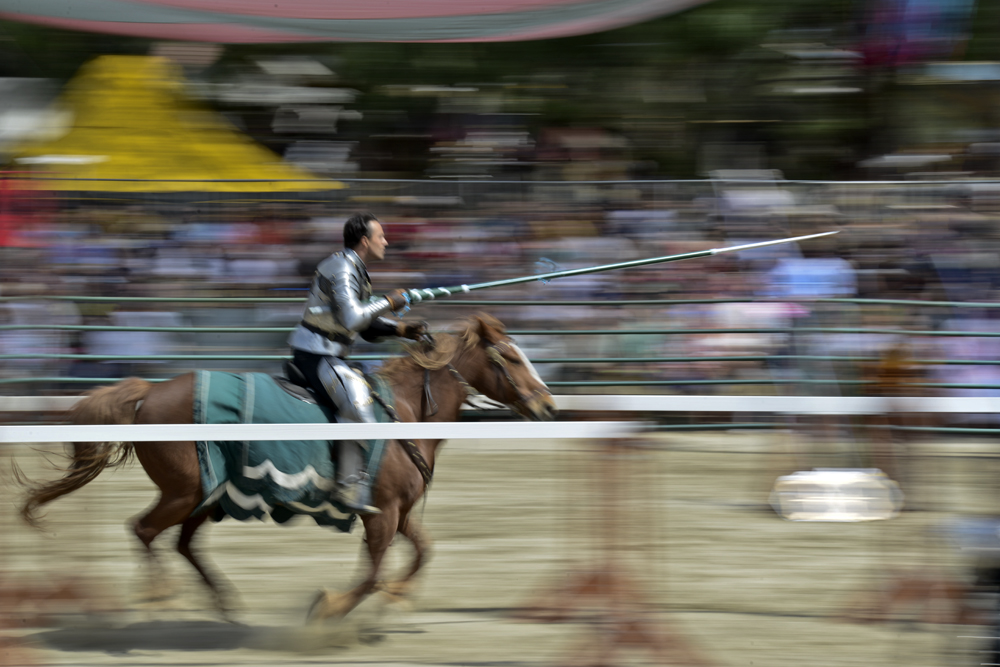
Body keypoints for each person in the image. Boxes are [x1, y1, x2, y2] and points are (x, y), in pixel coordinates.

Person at [288, 212, 427, 515]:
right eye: (381, 237)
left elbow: (363, 324)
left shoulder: (355, 269)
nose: (386, 242)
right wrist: (390, 302)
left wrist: (402, 330)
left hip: (331, 353)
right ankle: (347, 487)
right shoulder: (341, 267)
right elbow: (353, 318)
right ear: (365, 241)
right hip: (316, 354)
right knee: (358, 402)